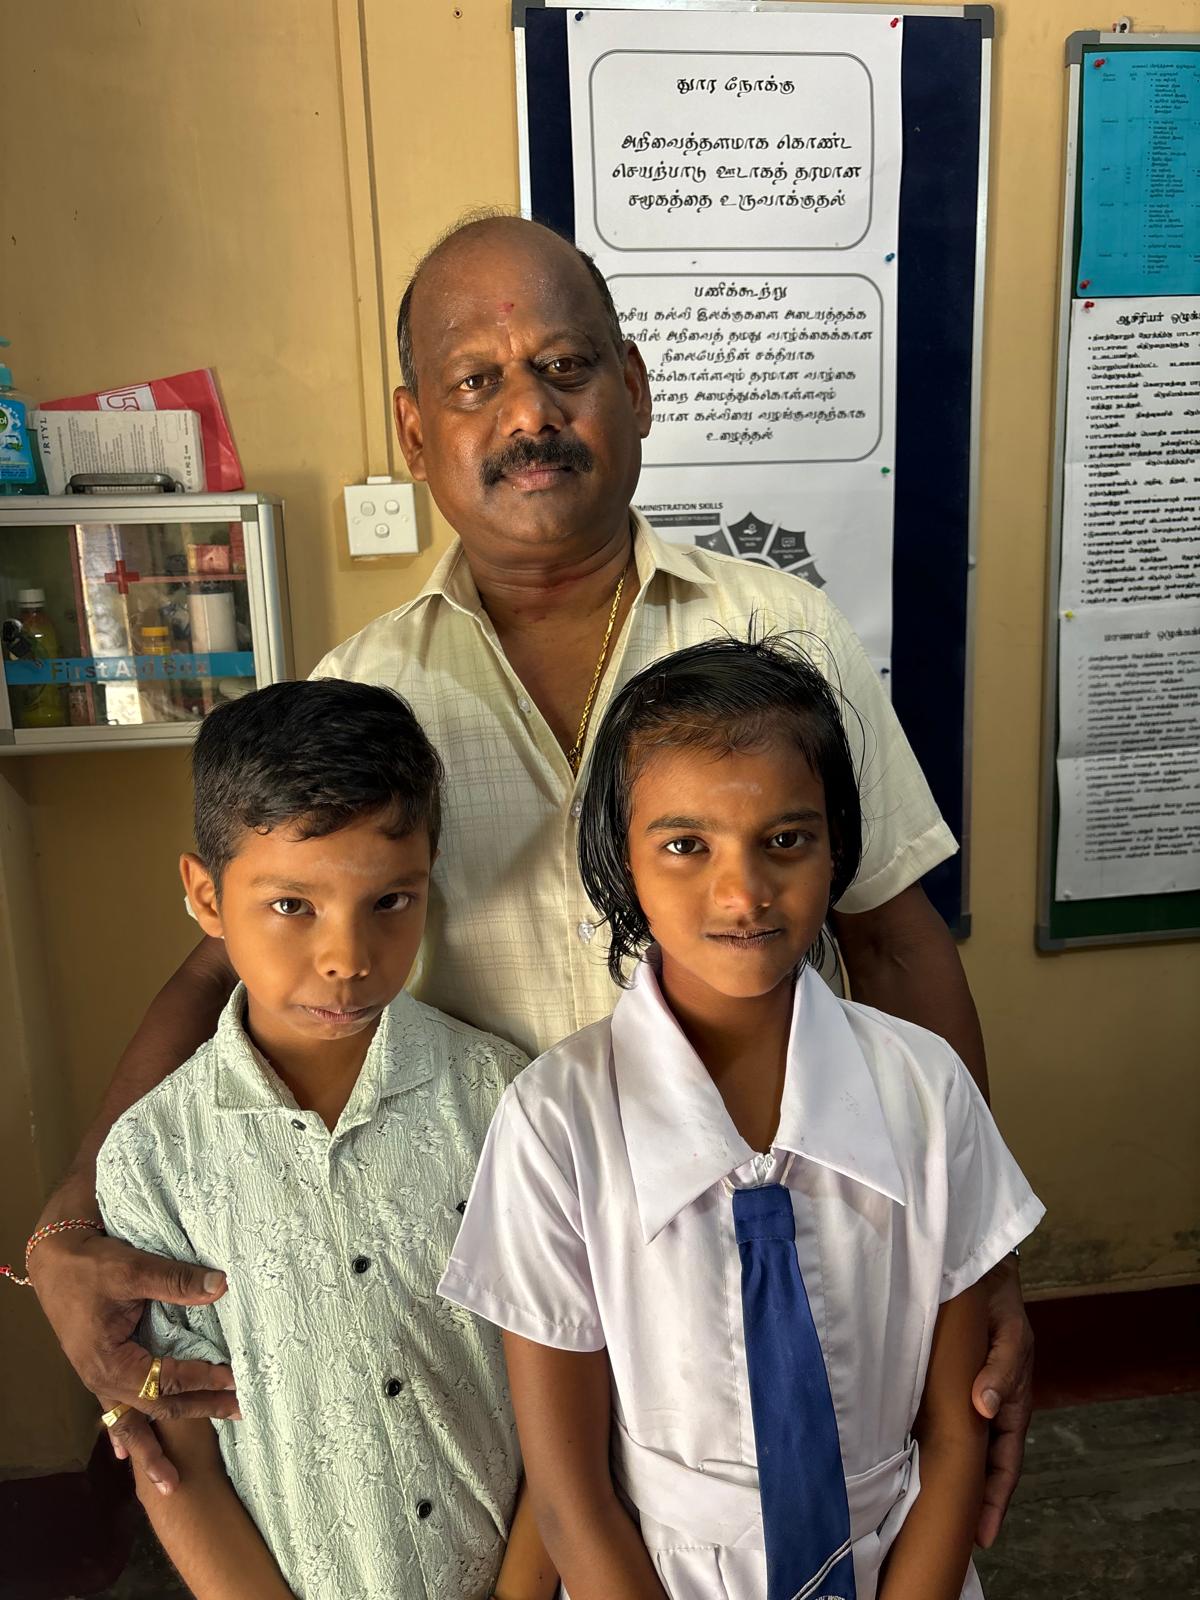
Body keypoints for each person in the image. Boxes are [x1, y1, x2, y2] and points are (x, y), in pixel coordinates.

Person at [23, 213, 1031, 1541]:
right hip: (501, 1297)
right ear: (413, 428)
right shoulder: (368, 688)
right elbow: (228, 966)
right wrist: (71, 1210)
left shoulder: (773, 631)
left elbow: (898, 944)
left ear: (635, 387)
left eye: (565, 367)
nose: (530, 414)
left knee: (816, 1540)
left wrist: (989, 1261)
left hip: (772, 1257)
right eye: (477, 381)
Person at [439, 636, 1044, 1600]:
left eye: (786, 839)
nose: (743, 892)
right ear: (621, 860)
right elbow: (570, 1497)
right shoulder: (556, 1124)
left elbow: (955, 1439)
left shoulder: (925, 1090)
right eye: (686, 846)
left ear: (835, 846)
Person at [93, 679, 555, 1600]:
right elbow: (178, 1453)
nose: (347, 957)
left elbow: (572, 1399)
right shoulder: (153, 1159)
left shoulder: (507, 1101)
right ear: (205, 895)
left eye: (391, 902)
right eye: (292, 906)